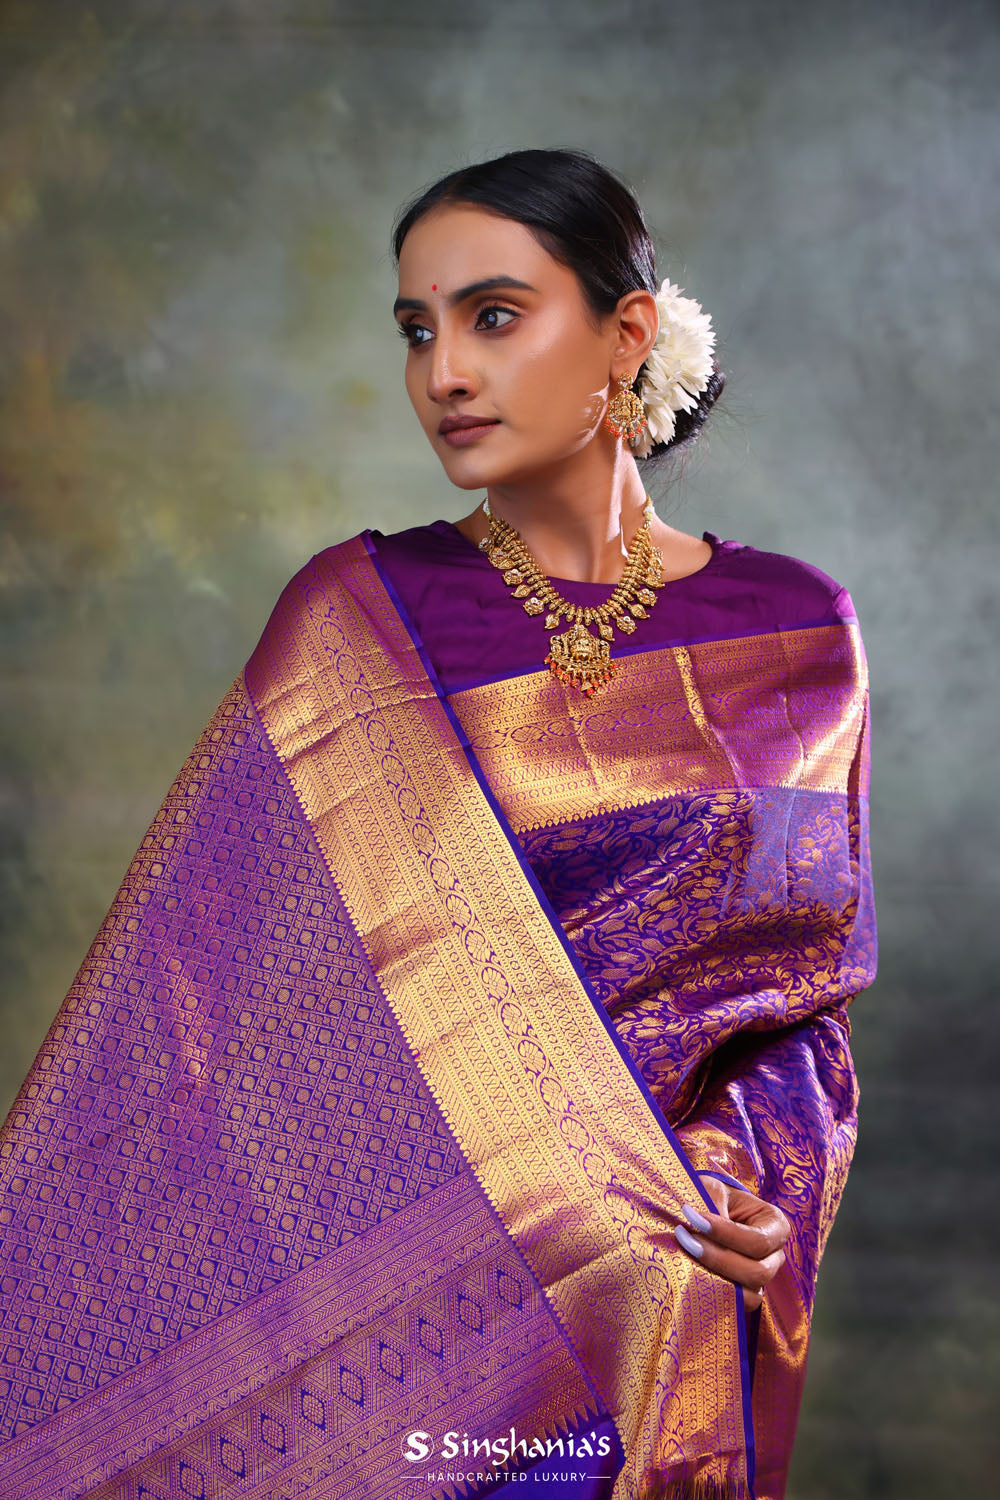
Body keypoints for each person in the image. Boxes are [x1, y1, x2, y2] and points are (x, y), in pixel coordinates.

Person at [0, 149, 876, 1500]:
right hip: (410, 1329)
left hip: (655, 1302)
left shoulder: (796, 633)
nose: (445, 375)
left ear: (627, 335)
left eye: (494, 317)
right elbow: (198, 1014)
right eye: (418, 332)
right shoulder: (356, 618)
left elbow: (802, 1001)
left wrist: (760, 1175)